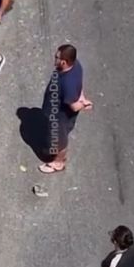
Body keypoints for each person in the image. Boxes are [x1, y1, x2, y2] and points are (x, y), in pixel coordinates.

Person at [39, 43, 93, 174]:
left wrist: (83, 104)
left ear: (64, 62)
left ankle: (58, 163)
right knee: (56, 137)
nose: (54, 59)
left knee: (59, 141)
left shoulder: (68, 83)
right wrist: (82, 97)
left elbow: (74, 107)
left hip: (59, 117)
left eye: (56, 57)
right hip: (55, 110)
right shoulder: (76, 65)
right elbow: (79, 84)